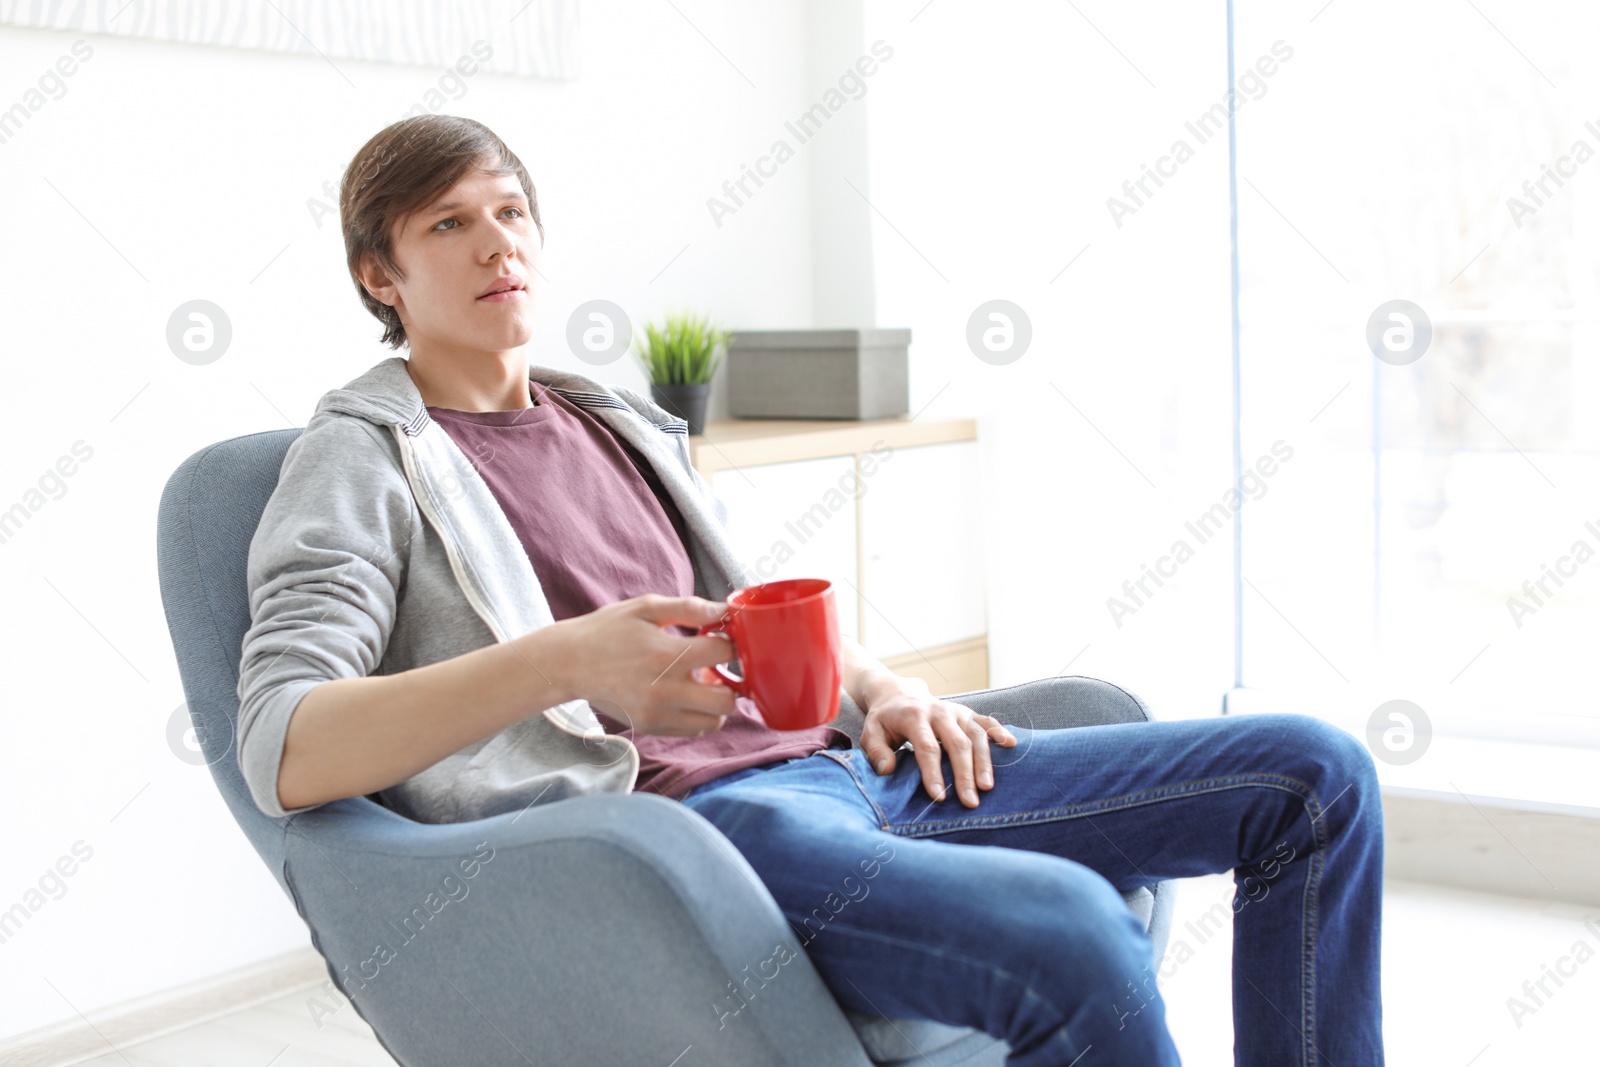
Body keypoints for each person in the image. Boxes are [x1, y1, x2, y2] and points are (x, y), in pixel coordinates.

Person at [236, 114, 1385, 1065]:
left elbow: (754, 631)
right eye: (449, 223)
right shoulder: (359, 459)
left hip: (855, 766)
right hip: (703, 831)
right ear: (378, 275)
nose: (499, 245)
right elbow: (283, 746)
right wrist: (568, 660)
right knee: (1071, 928)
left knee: (1311, 775)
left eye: (511, 212)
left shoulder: (619, 420)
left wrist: (885, 689)